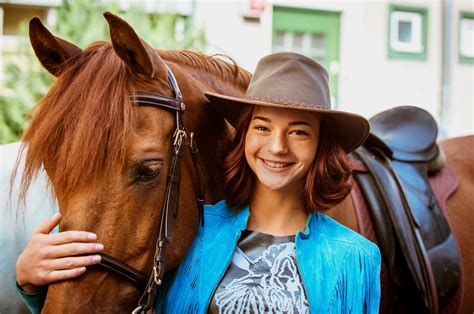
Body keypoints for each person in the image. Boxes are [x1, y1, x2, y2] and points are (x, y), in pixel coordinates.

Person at [16, 52, 381, 313]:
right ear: (244, 137)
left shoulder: (357, 258)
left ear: (321, 147)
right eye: (262, 127)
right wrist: (34, 285)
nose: (277, 146)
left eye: (299, 132)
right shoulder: (195, 237)